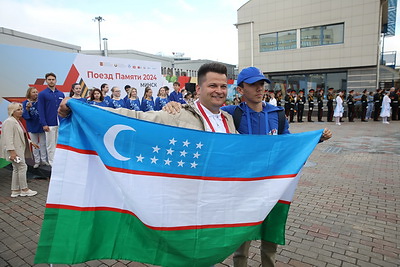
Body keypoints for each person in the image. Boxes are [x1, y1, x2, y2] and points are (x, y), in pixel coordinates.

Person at [161, 66, 332, 267]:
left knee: (270, 236)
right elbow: (203, 113)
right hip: (244, 189)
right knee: (242, 237)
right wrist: (175, 106)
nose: (260, 89)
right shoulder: (231, 114)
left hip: (272, 186)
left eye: (262, 84)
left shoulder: (277, 114)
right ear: (241, 90)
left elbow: (288, 145)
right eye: (253, 85)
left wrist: (312, 140)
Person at [0, 102, 39, 197]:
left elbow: (21, 135)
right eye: (18, 109)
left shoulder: (16, 121)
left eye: (21, 109)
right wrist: (12, 152)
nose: (21, 111)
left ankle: (15, 190)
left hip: (18, 150)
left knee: (17, 169)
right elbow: (8, 138)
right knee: (22, 167)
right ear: (12, 111)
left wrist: (30, 142)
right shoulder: (9, 122)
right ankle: (24, 189)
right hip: (15, 151)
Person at [37, 72, 65, 166]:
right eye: (49, 79)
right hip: (49, 123)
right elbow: (40, 110)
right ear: (46, 81)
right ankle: (52, 162)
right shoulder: (42, 94)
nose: (51, 81)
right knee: (50, 144)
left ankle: (59, 160)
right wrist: (44, 124)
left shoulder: (61, 93)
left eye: (53, 79)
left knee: (59, 142)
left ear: (56, 81)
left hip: (60, 122)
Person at [22, 87, 48, 168]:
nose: (36, 93)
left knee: (43, 143)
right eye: (33, 92)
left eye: (37, 92)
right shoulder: (25, 103)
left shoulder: (40, 102)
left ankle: (44, 160)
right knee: (34, 144)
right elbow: (25, 116)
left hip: (41, 125)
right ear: (29, 93)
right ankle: (37, 161)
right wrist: (27, 109)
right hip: (32, 126)